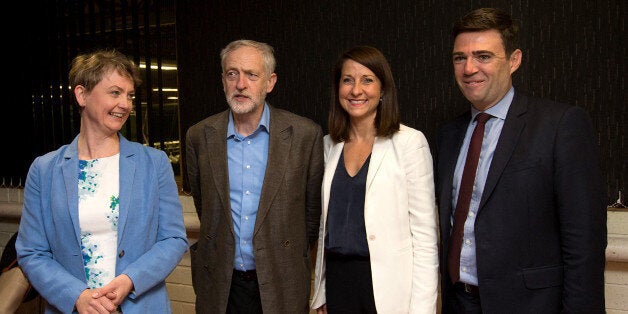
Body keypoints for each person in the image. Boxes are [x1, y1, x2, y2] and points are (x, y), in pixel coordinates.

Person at [435, 7, 607, 313]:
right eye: (460, 58)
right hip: (458, 303)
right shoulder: (449, 136)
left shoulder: (560, 125)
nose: (469, 68)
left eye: (483, 56)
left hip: (529, 305)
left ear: (514, 60)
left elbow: (585, 244)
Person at [15, 49, 189, 314]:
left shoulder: (153, 163)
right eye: (115, 92)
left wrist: (129, 280)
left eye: (130, 95)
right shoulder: (45, 169)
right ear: (82, 95)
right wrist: (77, 296)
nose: (126, 104)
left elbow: (174, 239)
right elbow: (31, 252)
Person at [185, 39, 324, 313]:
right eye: (232, 73)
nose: (240, 84)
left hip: (281, 281)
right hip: (221, 284)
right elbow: (207, 208)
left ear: (270, 82)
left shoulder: (305, 135)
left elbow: (311, 216)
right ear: (223, 80)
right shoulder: (199, 136)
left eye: (252, 75)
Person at [310, 45, 439, 313]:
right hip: (338, 284)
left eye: (367, 80)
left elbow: (425, 238)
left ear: (383, 90)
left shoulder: (409, 143)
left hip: (387, 288)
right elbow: (326, 227)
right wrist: (321, 289)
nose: (356, 90)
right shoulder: (328, 145)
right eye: (348, 80)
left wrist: (422, 310)